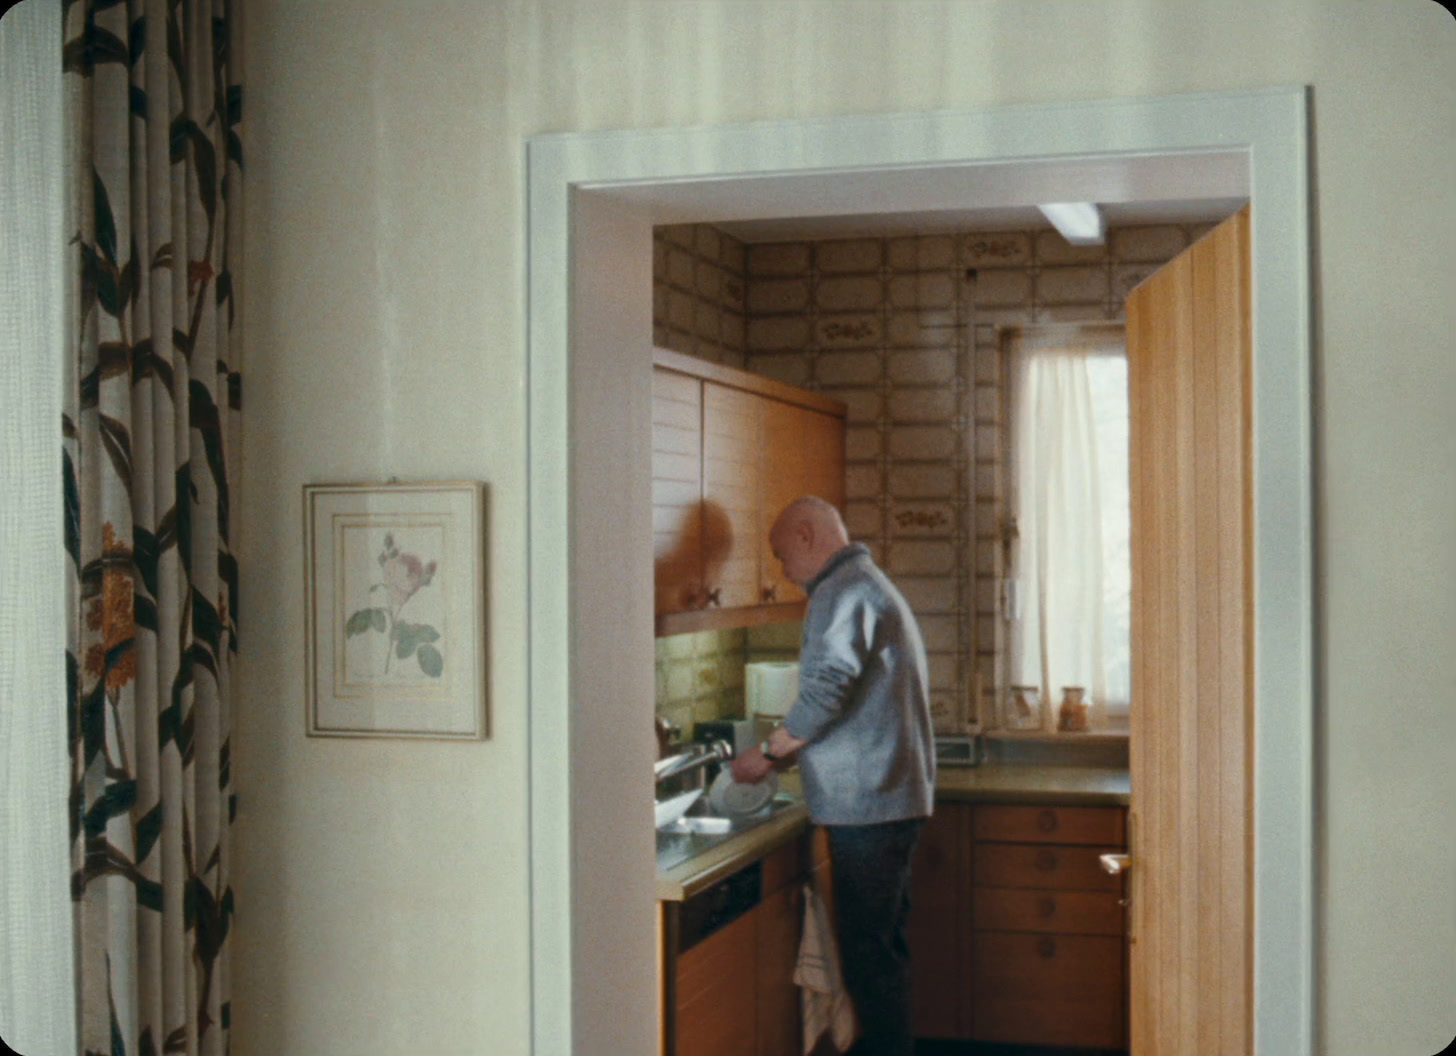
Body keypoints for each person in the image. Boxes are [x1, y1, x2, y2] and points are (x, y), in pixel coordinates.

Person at [733, 495, 936, 1056]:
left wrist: (769, 755)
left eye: (780, 556)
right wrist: (798, 747)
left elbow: (826, 688)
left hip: (870, 807)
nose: (783, 571)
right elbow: (849, 698)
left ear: (805, 534)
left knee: (871, 957)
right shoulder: (865, 583)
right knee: (882, 950)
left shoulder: (841, 590)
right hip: (887, 800)